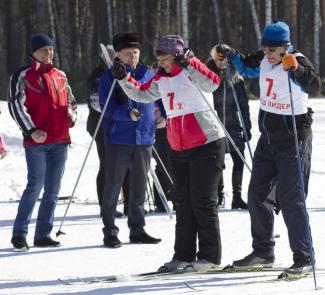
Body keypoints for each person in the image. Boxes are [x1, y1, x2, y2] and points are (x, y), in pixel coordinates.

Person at [215, 21, 322, 273]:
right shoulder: (263, 59)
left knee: (291, 199)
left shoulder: (297, 60)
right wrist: (230, 54)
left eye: (273, 49)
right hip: (268, 139)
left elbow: (314, 85)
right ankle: (263, 252)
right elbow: (245, 65)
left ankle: (304, 258)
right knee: (256, 195)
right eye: (265, 48)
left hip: (293, 139)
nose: (268, 53)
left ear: (286, 47)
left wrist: (297, 71)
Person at [113, 34, 226, 270]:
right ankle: (183, 256)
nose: (162, 62)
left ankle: (209, 257)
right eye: (160, 58)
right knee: (182, 202)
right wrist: (124, 78)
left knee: (202, 202)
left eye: (166, 58)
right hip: (179, 146)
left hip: (206, 143)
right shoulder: (161, 77)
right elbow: (142, 94)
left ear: (178, 55)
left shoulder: (191, 69)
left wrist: (190, 63)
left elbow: (213, 83)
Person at [8, 33, 77, 251]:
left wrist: (71, 118)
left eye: (51, 49)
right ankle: (19, 234)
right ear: (34, 52)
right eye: (44, 50)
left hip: (60, 141)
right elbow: (15, 105)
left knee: (53, 190)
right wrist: (31, 130)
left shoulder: (61, 75)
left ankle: (43, 234)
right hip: (37, 141)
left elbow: (72, 102)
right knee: (35, 186)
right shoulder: (22, 75)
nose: (49, 53)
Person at [99, 32, 161, 248]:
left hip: (144, 136)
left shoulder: (147, 73)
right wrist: (126, 114)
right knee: (113, 186)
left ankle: (137, 229)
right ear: (118, 55)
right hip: (119, 137)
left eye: (135, 52)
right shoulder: (110, 76)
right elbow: (105, 107)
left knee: (139, 186)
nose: (133, 57)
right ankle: (110, 231)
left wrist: (162, 116)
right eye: (128, 53)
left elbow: (157, 97)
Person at [207, 50, 252, 209]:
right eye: (218, 59)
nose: (222, 62)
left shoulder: (236, 78)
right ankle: (219, 197)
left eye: (224, 59)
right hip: (215, 125)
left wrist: (247, 125)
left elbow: (243, 105)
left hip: (233, 125)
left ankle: (237, 197)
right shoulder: (208, 76)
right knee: (217, 162)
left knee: (239, 160)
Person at [86, 45, 126, 217]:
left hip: (115, 125)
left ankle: (121, 201)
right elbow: (97, 103)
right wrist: (117, 111)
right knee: (107, 165)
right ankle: (105, 204)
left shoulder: (114, 73)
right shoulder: (98, 76)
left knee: (118, 164)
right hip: (100, 126)